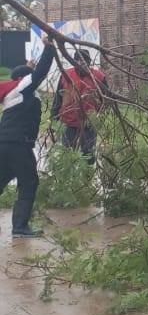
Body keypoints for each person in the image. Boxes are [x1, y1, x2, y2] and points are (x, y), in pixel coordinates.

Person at [1, 34, 55, 238]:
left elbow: (28, 74)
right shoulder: (23, 88)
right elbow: (39, 73)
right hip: (18, 145)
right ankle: (20, 228)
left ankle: (19, 227)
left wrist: (28, 66)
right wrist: (49, 48)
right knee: (29, 182)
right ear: (24, 79)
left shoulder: (12, 91)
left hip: (4, 144)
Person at [51, 49, 108, 162]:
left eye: (86, 61)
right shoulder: (66, 75)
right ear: (74, 61)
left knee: (88, 156)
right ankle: (68, 178)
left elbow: (105, 100)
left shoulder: (99, 77)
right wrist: (54, 117)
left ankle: (87, 178)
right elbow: (58, 98)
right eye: (80, 61)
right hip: (68, 122)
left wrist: (98, 116)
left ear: (89, 62)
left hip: (89, 123)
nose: (83, 64)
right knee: (67, 155)